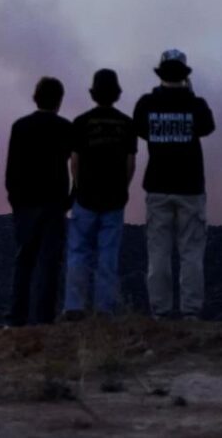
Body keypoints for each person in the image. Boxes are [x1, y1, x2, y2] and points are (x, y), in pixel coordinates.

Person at [133, 50, 215, 319]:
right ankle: (190, 311)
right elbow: (207, 127)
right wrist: (188, 95)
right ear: (184, 75)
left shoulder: (146, 104)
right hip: (190, 187)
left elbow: (141, 131)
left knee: (158, 252)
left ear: (160, 73)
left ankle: (161, 311)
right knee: (191, 253)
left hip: (158, 185)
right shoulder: (195, 104)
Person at [63, 69, 137, 319]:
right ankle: (104, 309)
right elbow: (130, 163)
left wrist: (78, 186)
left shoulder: (81, 123)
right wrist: (123, 189)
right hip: (114, 199)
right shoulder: (127, 124)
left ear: (94, 93)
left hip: (86, 198)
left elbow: (75, 161)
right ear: (116, 94)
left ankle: (74, 307)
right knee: (108, 254)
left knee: (79, 252)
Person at [4, 76, 74, 326]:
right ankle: (44, 319)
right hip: (55, 203)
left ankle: (16, 318)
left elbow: (11, 168)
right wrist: (70, 198)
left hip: (25, 203)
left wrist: (14, 199)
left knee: (24, 261)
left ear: (36, 97)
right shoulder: (67, 128)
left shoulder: (20, 127)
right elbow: (76, 164)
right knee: (50, 263)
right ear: (59, 101)